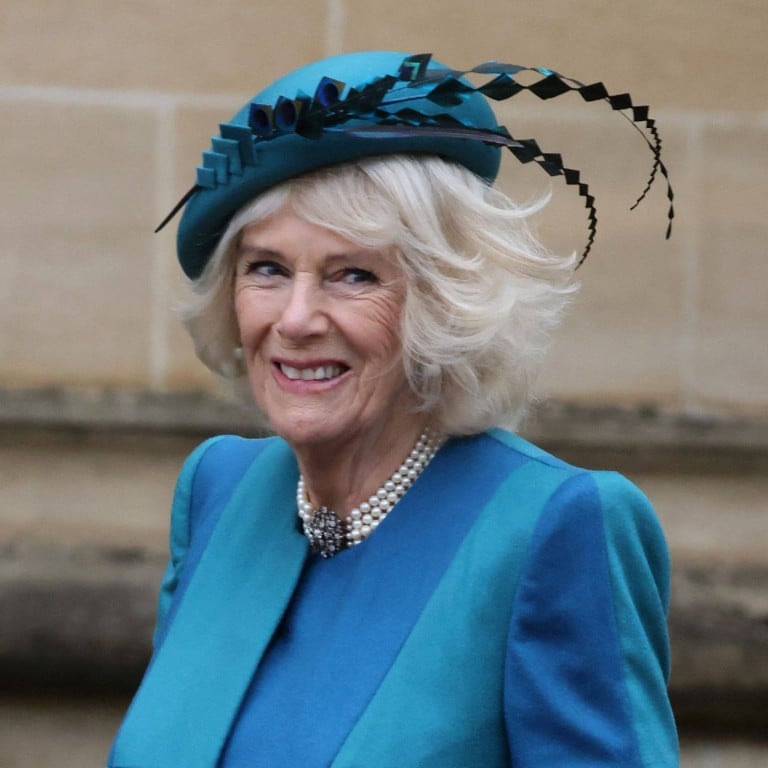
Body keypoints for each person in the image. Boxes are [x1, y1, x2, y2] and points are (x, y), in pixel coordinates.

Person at [109, 51, 678, 767]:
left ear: (443, 304)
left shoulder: (554, 527)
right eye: (267, 269)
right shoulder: (218, 490)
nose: (296, 318)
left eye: (354, 274)